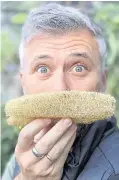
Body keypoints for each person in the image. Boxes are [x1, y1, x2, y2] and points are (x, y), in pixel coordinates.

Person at [2, 3, 119, 180]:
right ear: (23, 82)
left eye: (79, 68)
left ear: (102, 81)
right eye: (42, 69)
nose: (60, 88)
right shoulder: (22, 157)